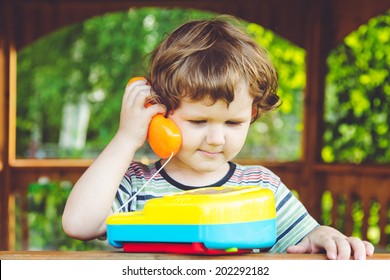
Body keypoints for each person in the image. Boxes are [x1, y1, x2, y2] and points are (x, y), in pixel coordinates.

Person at [62, 16, 374, 260]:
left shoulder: (261, 186)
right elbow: (78, 224)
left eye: (233, 122)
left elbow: (306, 238)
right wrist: (127, 138)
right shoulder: (134, 185)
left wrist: (323, 235)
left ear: (251, 115)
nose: (215, 138)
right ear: (160, 113)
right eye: (198, 121)